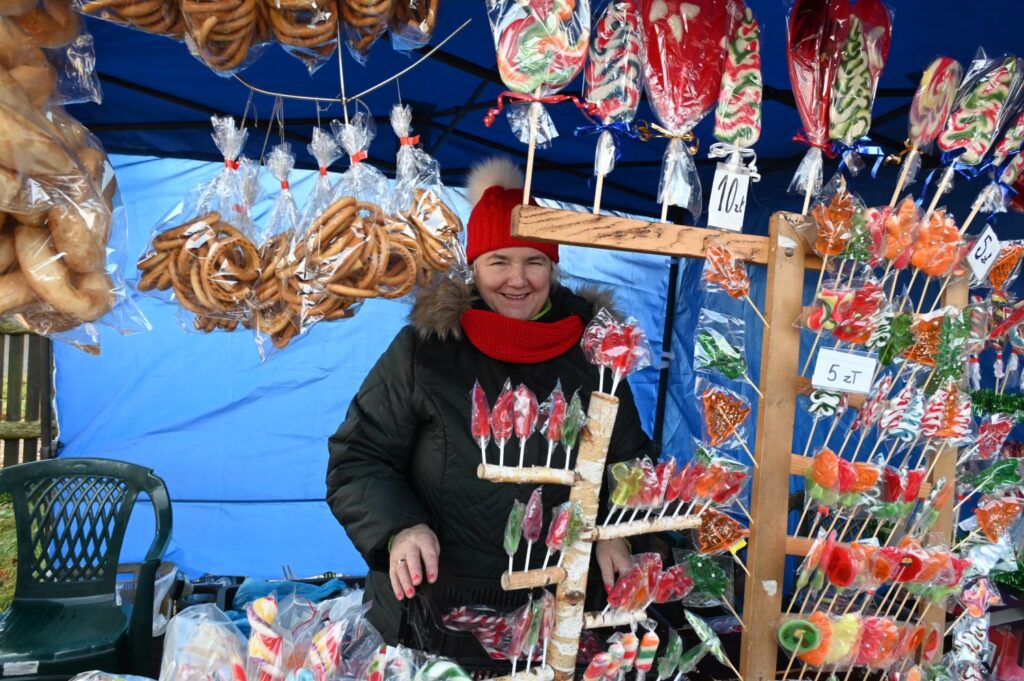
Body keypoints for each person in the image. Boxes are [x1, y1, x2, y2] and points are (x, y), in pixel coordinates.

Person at [326, 157, 652, 644]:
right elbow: (359, 457)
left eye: (533, 261)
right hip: (435, 610)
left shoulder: (596, 348)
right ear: (473, 266)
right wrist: (400, 529)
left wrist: (617, 533)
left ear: (553, 267)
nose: (517, 279)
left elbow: (629, 462)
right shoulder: (426, 349)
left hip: (558, 604)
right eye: (499, 261)